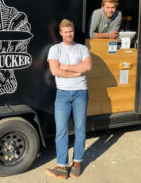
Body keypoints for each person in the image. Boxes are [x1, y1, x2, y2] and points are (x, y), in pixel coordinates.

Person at [45, 19, 92, 179]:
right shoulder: (55, 49)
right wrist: (75, 71)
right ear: (60, 33)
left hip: (80, 92)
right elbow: (54, 71)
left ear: (73, 31)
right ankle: (62, 165)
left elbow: (87, 67)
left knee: (80, 128)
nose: (68, 34)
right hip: (63, 93)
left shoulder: (82, 48)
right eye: (65, 32)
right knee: (61, 130)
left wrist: (66, 67)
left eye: (70, 31)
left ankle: (77, 162)